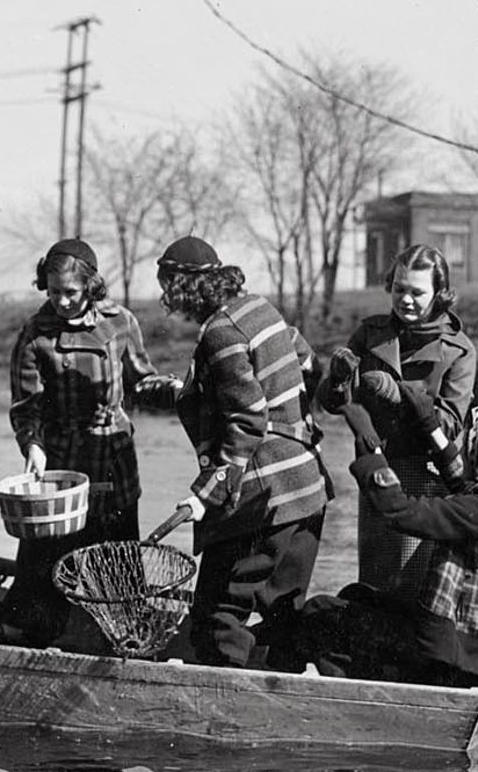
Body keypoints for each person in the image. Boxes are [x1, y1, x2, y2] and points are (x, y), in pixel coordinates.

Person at [288, 399, 478, 687]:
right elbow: (459, 478)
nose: (462, 451)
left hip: (450, 655)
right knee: (358, 596)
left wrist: (369, 447)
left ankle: (306, 690)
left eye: (467, 444)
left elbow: (398, 510)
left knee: (322, 614)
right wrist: (429, 423)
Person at [155, 235, 330, 670]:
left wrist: (203, 495)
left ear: (182, 287)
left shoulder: (220, 332)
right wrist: (188, 391)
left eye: (167, 290)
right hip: (307, 489)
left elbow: (248, 419)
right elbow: (306, 364)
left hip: (263, 500)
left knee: (218, 617)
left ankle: (221, 719)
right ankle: (279, 704)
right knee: (282, 613)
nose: (168, 302)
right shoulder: (259, 308)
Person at [1, 238, 162, 646]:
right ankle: (34, 640)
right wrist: (32, 445)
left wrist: (178, 391)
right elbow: (26, 405)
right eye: (54, 292)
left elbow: (143, 379)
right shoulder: (36, 333)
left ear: (90, 286)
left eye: (71, 293)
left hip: (113, 460)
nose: (62, 301)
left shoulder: (120, 321)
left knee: (116, 559)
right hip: (61, 467)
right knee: (48, 563)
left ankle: (125, 639)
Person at [322, 243, 476, 600]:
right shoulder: (369, 334)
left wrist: (398, 396)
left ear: (440, 293)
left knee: (411, 586)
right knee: (373, 581)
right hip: (375, 472)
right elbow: (333, 405)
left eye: (417, 292)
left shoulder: (459, 350)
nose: (406, 300)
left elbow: (449, 426)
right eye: (399, 289)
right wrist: (337, 381)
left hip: (424, 481)